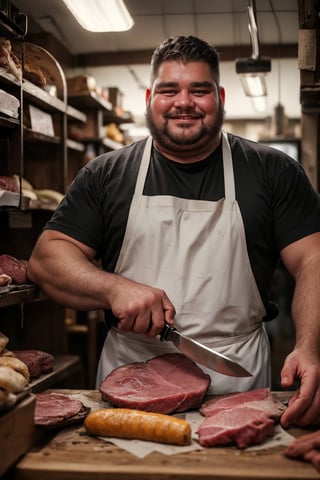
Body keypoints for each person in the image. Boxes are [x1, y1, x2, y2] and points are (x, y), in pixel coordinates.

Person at [27, 35, 320, 428]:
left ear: (220, 97)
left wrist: (310, 347)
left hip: (238, 376)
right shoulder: (106, 174)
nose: (184, 102)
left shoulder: (272, 171)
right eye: (169, 90)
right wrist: (113, 288)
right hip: (132, 372)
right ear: (150, 97)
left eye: (199, 90)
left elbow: (314, 260)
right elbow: (47, 259)